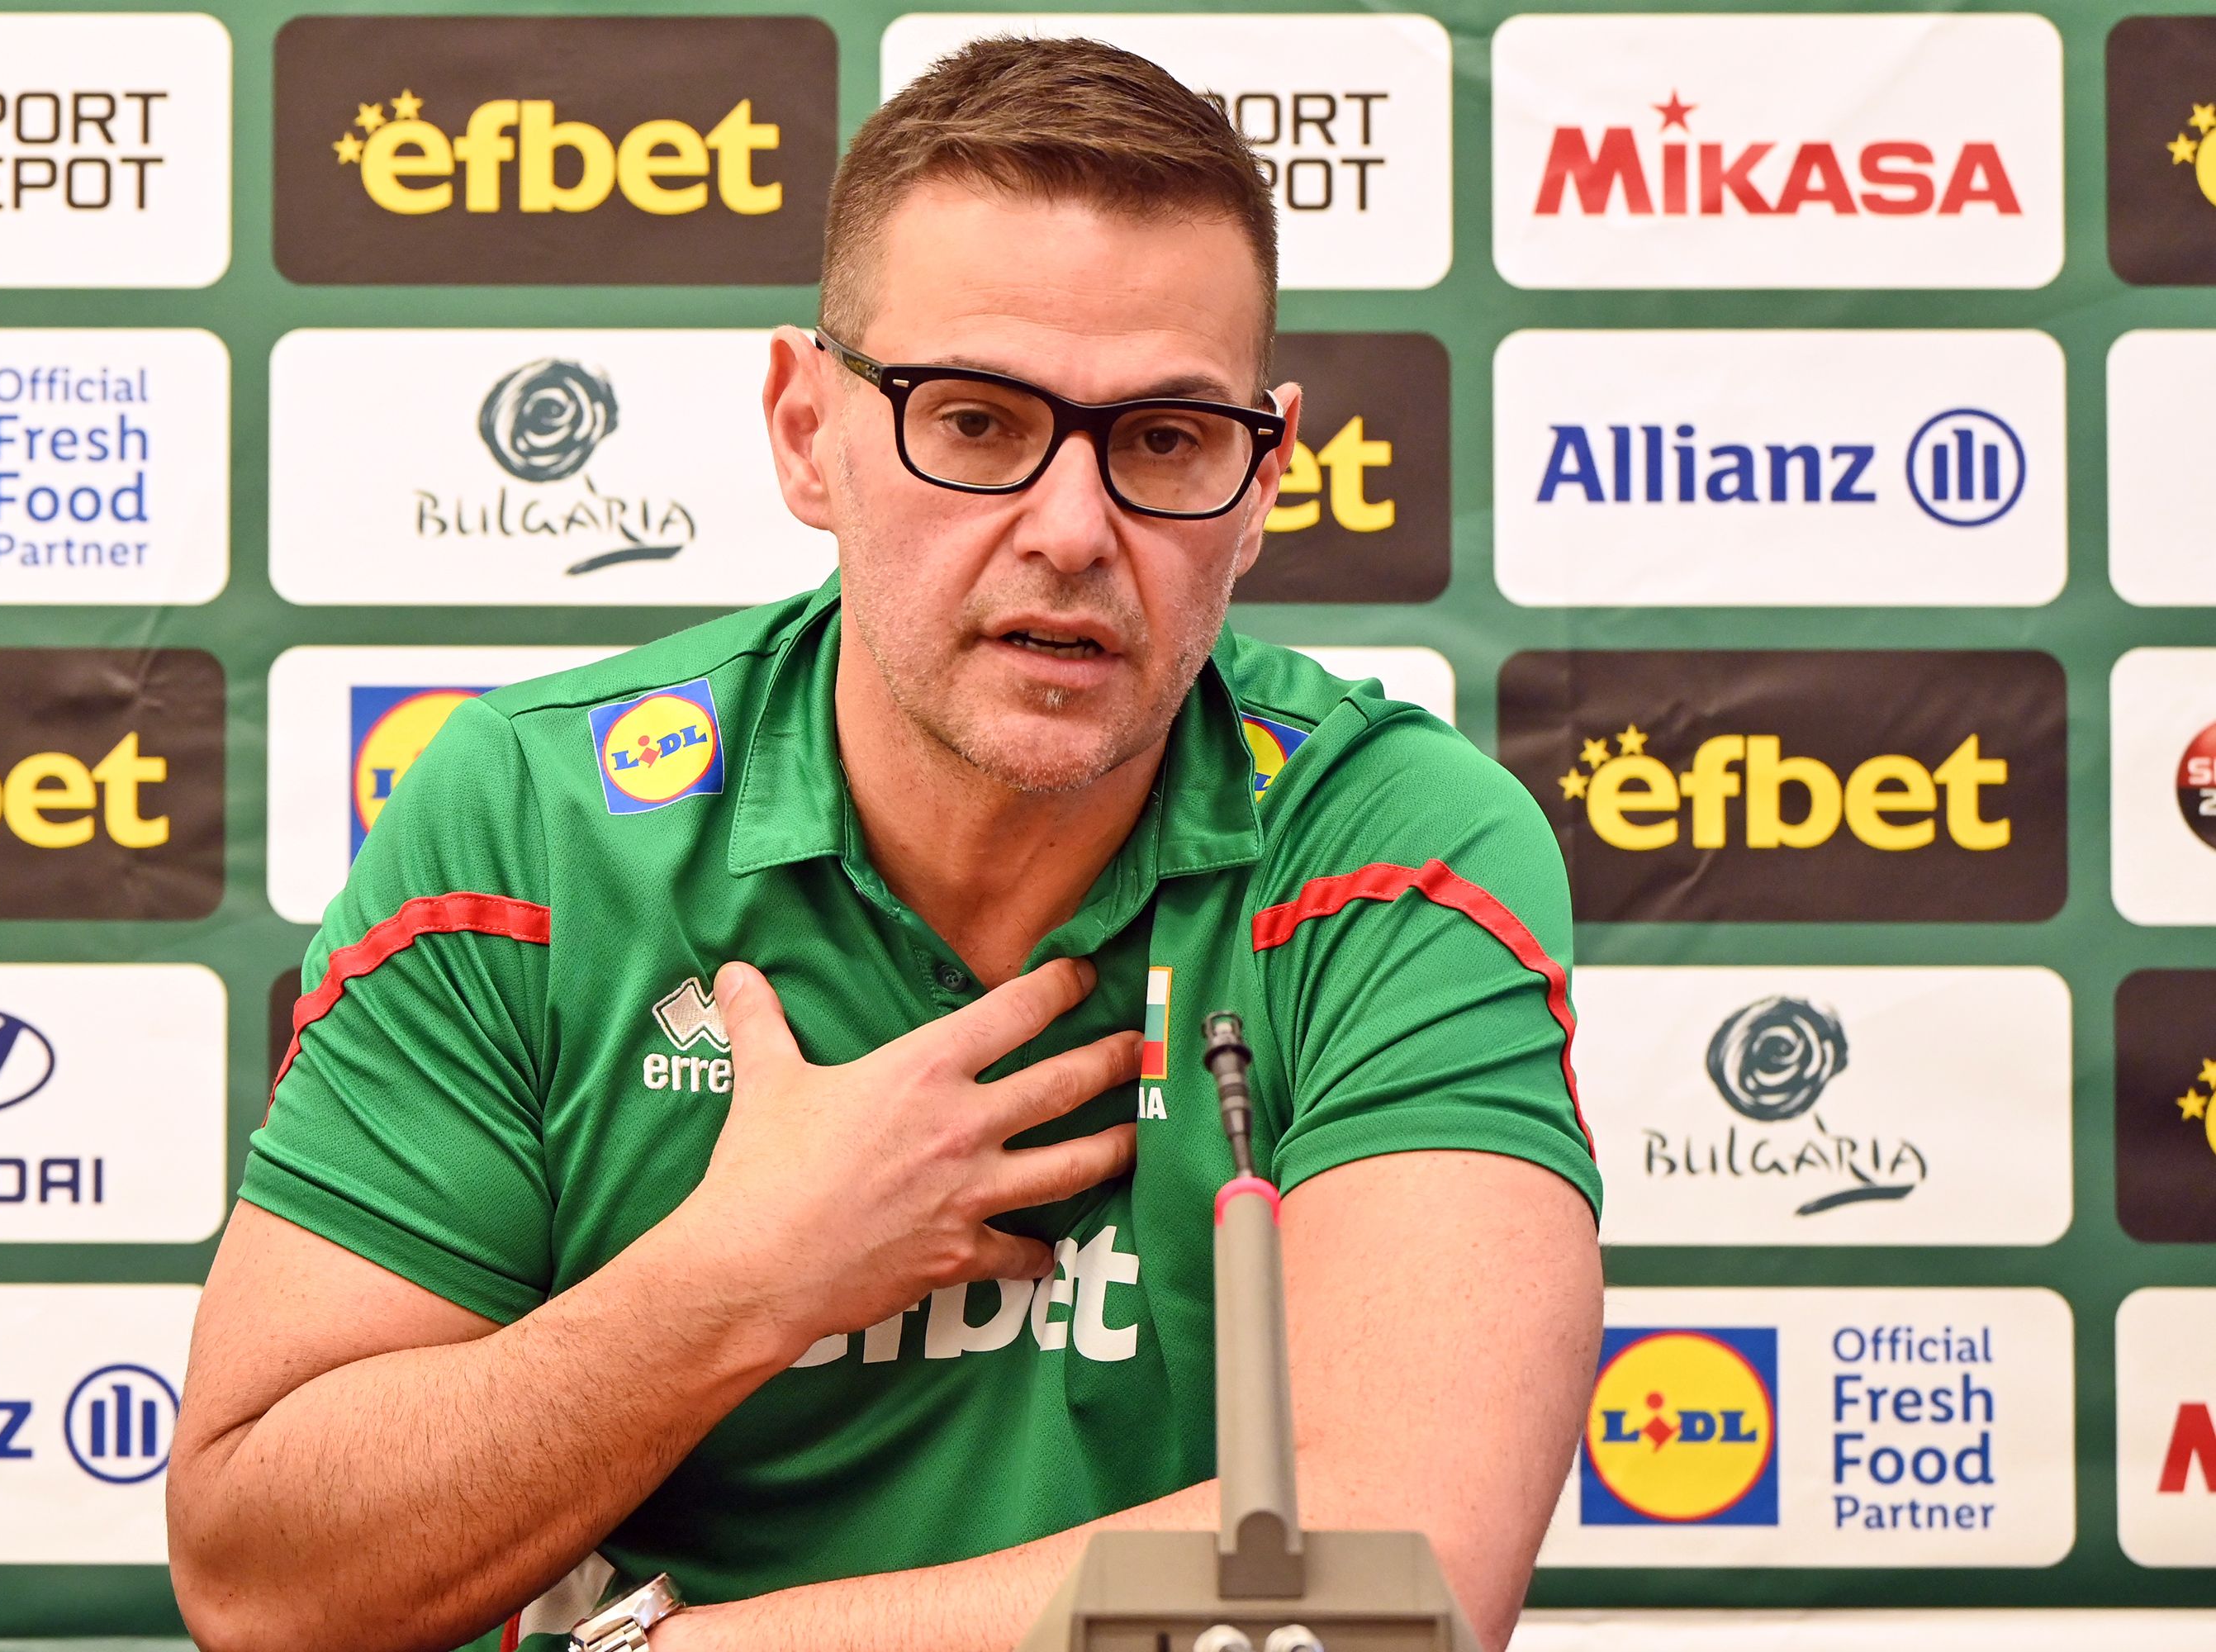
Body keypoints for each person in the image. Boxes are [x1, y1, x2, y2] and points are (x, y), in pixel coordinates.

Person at [169, 36, 1601, 1652]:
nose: (1074, 530)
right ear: (807, 429)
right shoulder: (533, 822)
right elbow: (261, 1579)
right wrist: (733, 1281)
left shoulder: (1391, 842)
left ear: (1261, 478)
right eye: (975, 421)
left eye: (1164, 441)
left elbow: (1396, 1571)